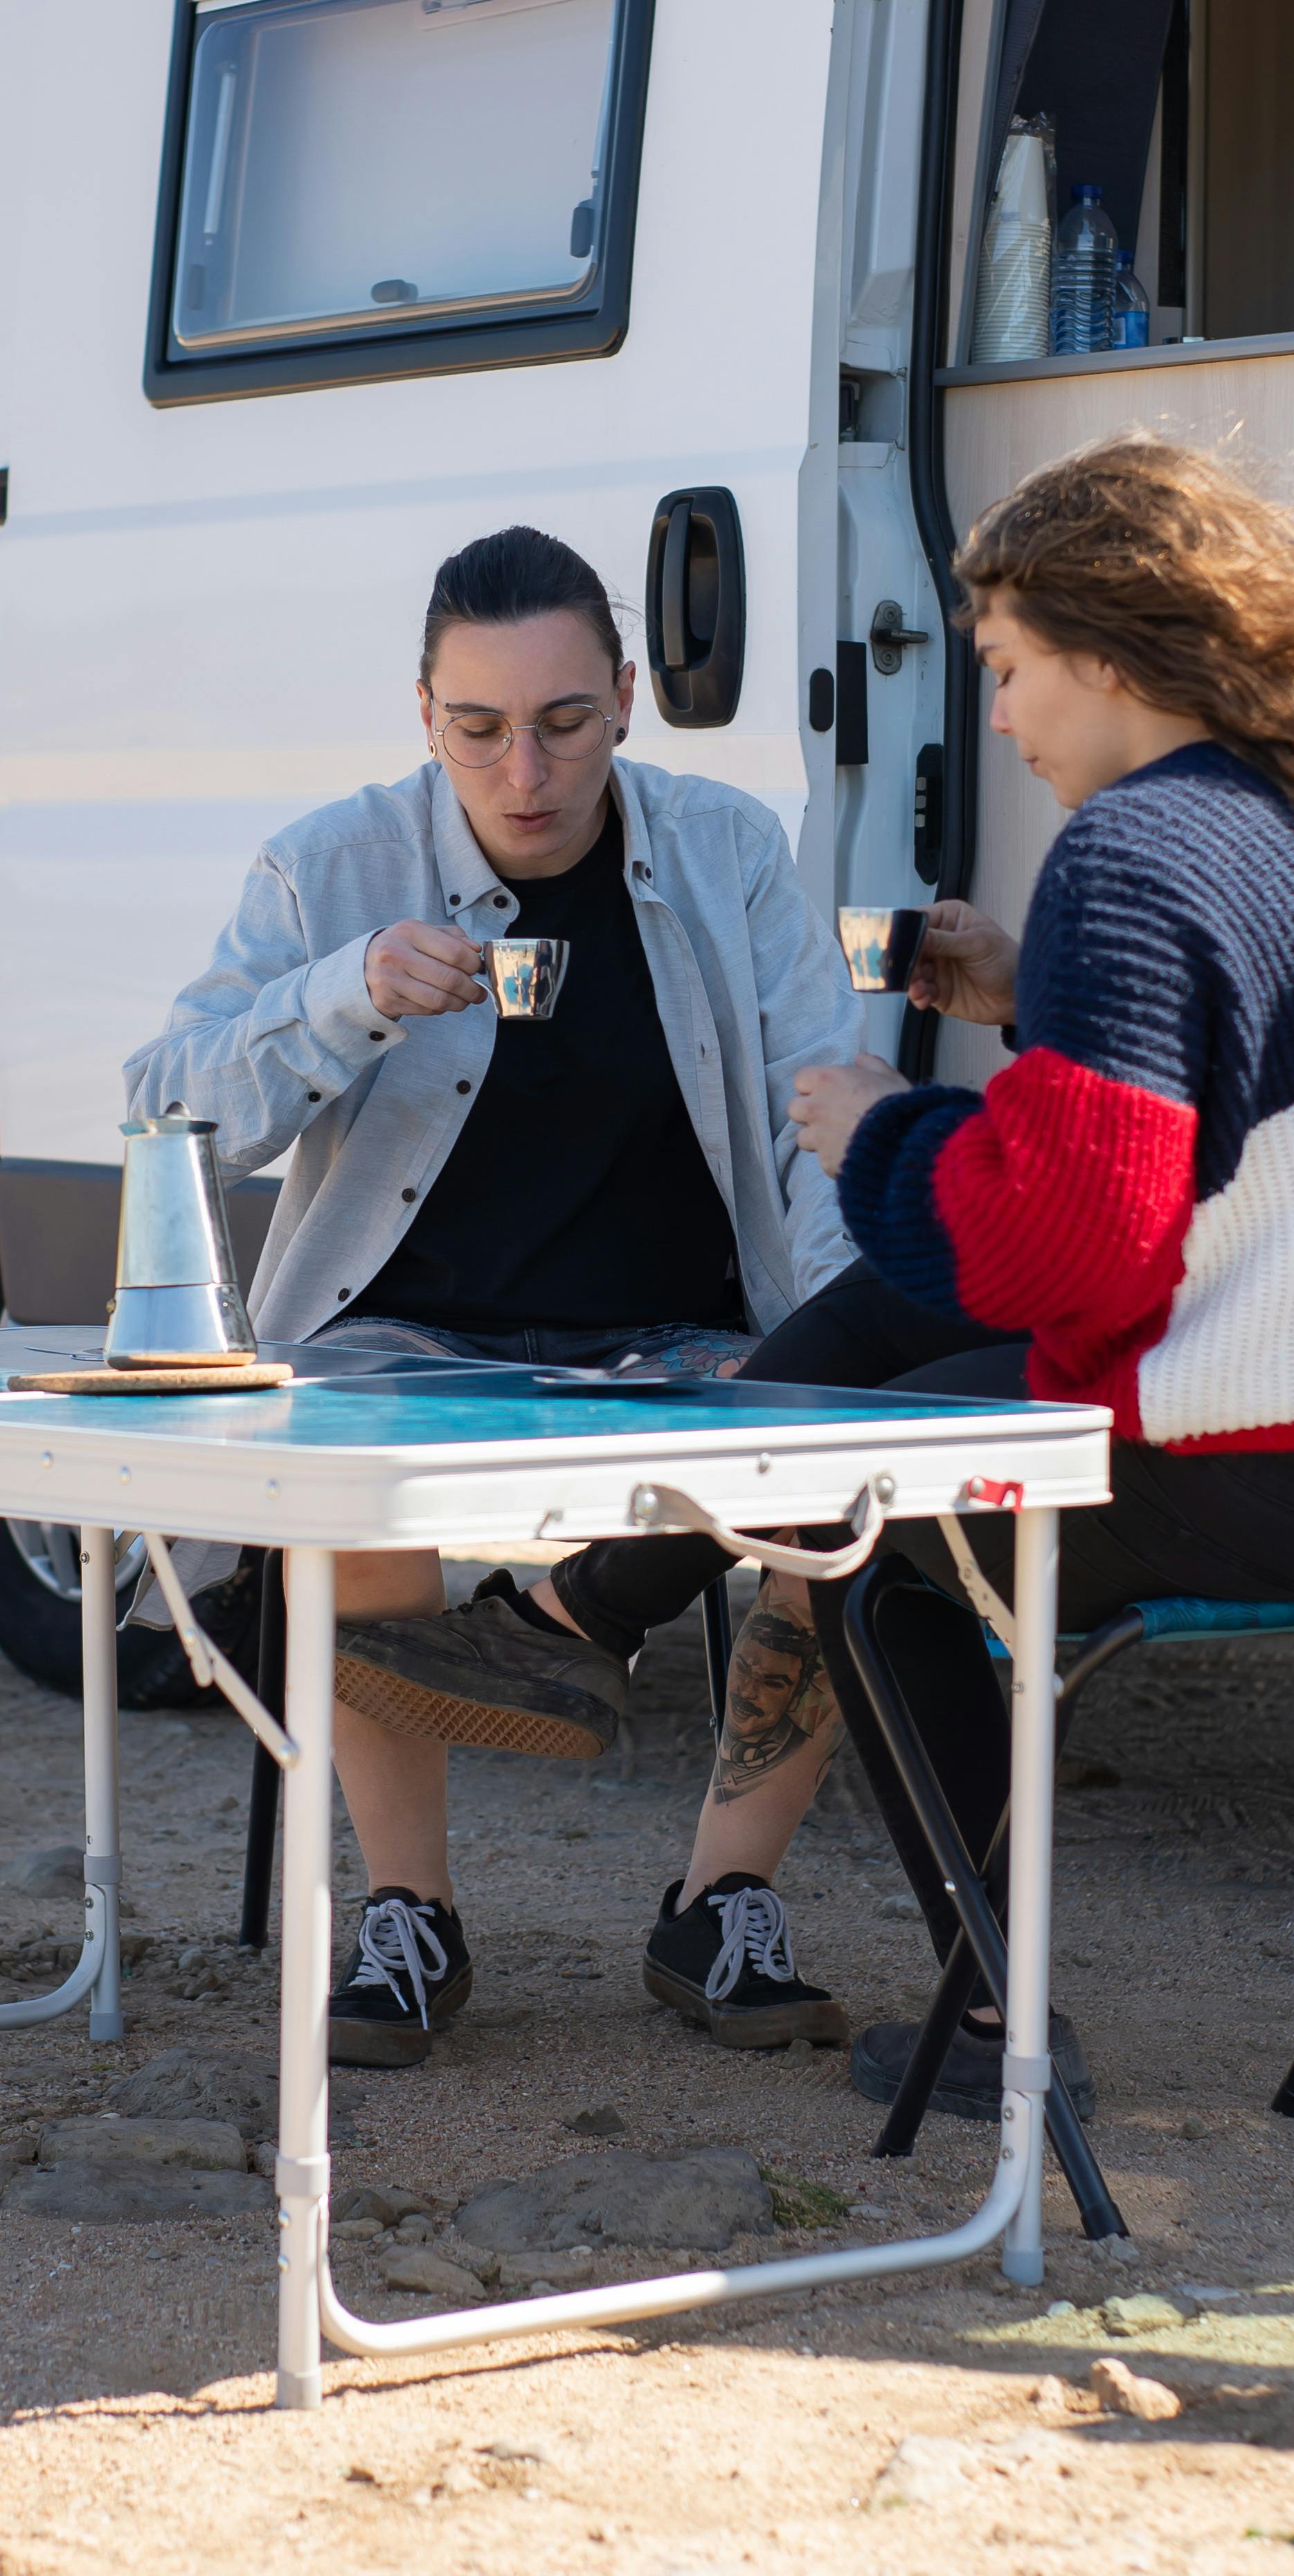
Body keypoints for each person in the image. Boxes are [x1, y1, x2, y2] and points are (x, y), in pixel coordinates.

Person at [480, 431, 1294, 2118]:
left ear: (1106, 650)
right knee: (904, 1337)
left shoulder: (1138, 850)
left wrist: (878, 1127)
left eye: (1003, 669)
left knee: (867, 1515)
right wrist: (1036, 1011)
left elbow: (1065, 1241)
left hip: (1287, 1468)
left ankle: (1000, 2019)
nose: (997, 720)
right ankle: (592, 1606)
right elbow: (1246, 1137)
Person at [122, 523, 863, 2069]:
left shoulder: (725, 852)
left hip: (679, 1326)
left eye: (563, 722)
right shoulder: (331, 864)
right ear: (422, 713)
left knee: (850, 1481)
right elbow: (167, 1107)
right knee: (350, 1468)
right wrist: (345, 994)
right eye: (478, 729)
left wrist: (840, 1343)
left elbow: (822, 1107)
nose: (522, 770)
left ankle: (720, 1898)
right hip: (404, 1326)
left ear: (628, 701)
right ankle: (409, 1911)